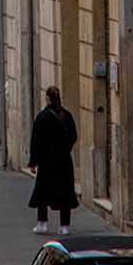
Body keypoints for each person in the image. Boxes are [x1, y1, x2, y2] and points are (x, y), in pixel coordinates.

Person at [29, 85, 80, 233]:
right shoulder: (67, 115)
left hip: (47, 161)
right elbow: (73, 135)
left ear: (47, 98)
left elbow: (36, 141)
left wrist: (33, 162)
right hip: (64, 160)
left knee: (42, 192)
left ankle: (42, 223)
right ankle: (64, 226)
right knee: (65, 192)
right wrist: (65, 149)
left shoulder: (42, 117)